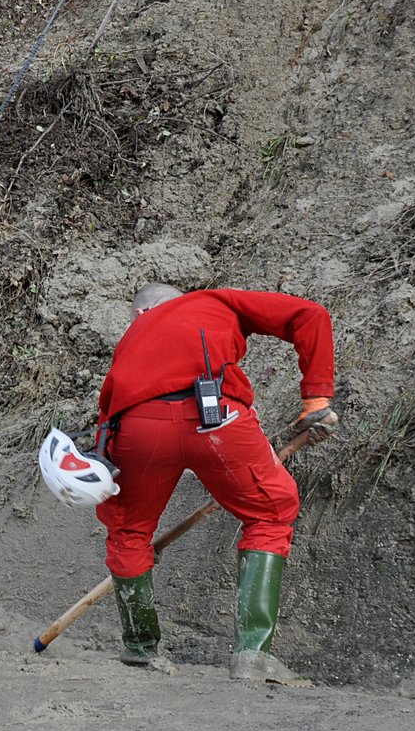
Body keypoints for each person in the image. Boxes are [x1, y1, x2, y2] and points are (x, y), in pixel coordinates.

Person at [92, 282, 338, 683]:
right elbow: (310, 315)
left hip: (138, 428)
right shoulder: (215, 300)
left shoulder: (133, 337)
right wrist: (316, 401)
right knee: (270, 513)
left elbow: (108, 416)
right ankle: (252, 656)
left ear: (140, 313)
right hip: (217, 418)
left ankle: (139, 648)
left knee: (127, 532)